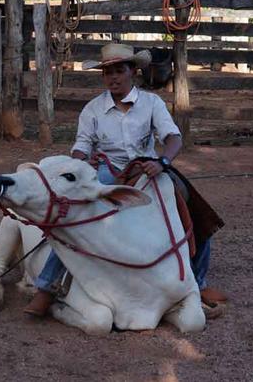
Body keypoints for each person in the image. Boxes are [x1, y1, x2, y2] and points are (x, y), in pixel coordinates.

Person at [24, 43, 228, 317]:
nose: (113, 78)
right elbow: (81, 145)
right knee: (74, 219)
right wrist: (82, 161)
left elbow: (173, 138)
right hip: (107, 170)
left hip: (147, 169)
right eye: (108, 72)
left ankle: (197, 283)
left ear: (133, 71)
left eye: (120, 71)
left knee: (195, 212)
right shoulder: (93, 109)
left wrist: (162, 162)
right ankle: (46, 287)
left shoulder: (152, 103)